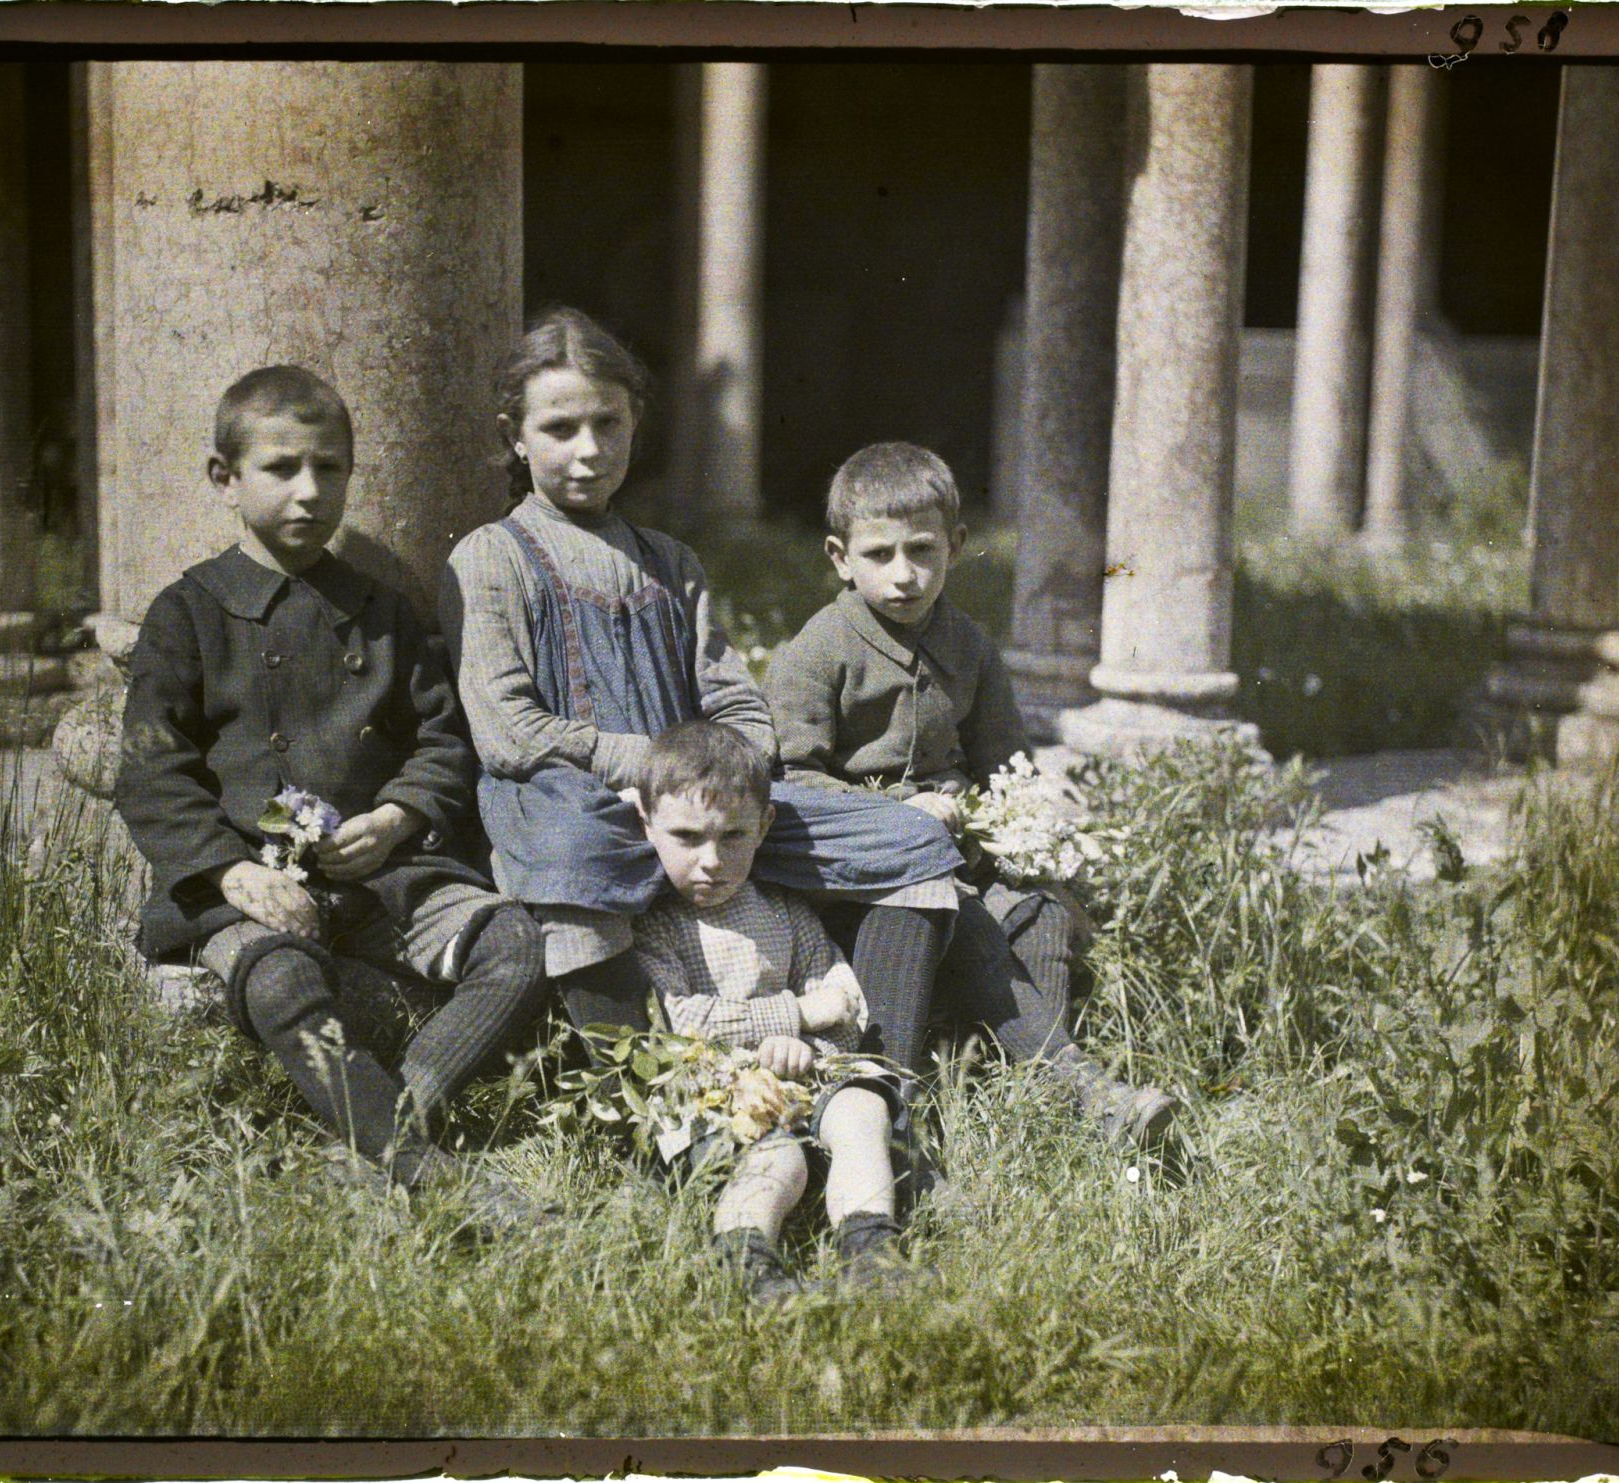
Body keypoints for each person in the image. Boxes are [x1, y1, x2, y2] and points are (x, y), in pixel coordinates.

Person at [437, 309, 964, 1121]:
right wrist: (648, 774)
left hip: (707, 802)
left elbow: (733, 698)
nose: (588, 448)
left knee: (912, 839)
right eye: (560, 427)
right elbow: (509, 727)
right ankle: (664, 1103)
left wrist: (735, 777)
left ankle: (876, 1079)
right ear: (515, 435)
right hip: (572, 795)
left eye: (607, 423)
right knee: (581, 856)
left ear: (635, 424)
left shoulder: (671, 562)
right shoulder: (492, 557)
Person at [115, 365, 552, 1224]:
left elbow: (441, 740)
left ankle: (398, 1120)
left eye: (331, 468)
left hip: (378, 870)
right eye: (282, 469)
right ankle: (426, 1169)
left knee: (516, 942)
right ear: (224, 479)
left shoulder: (381, 612)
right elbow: (150, 768)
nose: (310, 492)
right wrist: (232, 875)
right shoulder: (189, 613)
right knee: (276, 980)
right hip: (241, 872)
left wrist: (396, 818)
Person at [764, 441, 1178, 1148]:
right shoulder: (820, 650)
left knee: (1038, 912)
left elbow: (1005, 763)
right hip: (860, 860)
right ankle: (1078, 1087)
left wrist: (1028, 823)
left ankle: (1031, 1076)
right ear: (839, 557)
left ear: (955, 547)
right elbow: (791, 783)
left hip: (958, 846)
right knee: (960, 912)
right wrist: (898, 813)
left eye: (922, 550)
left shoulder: (971, 646)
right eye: (879, 554)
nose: (903, 575)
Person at [631, 720, 914, 1300]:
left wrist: (810, 1048)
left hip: (802, 1076)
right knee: (779, 1159)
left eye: (733, 837)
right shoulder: (654, 922)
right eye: (686, 837)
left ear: (764, 828)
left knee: (862, 1111)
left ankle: (871, 1252)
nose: (710, 860)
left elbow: (842, 1001)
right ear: (647, 825)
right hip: (710, 1090)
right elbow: (679, 1021)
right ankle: (745, 1262)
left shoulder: (784, 911)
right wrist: (793, 1018)